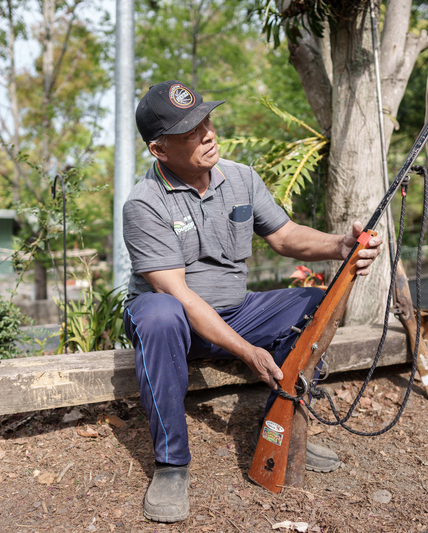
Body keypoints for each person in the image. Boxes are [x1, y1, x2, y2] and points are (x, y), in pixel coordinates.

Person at [122, 81, 383, 523]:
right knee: (159, 315)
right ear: (158, 150)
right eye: (190, 131)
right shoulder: (144, 204)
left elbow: (284, 236)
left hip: (236, 312)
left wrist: (342, 245)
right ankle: (171, 464)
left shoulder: (240, 177)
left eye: (206, 120)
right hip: (176, 322)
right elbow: (179, 295)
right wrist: (246, 352)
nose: (208, 133)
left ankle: (280, 427)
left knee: (315, 305)